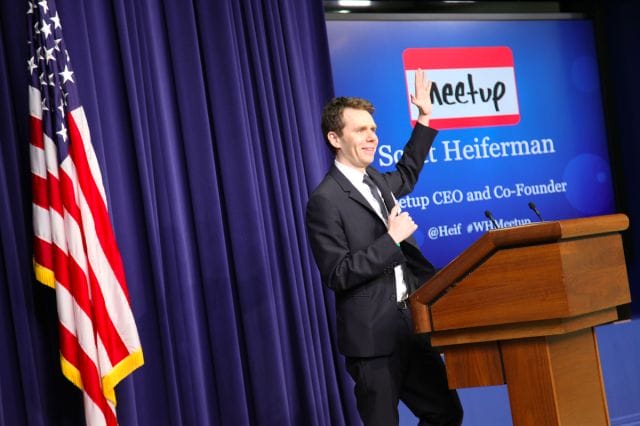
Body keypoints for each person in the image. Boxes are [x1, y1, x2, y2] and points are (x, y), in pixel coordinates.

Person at [305, 70, 463, 426]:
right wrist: (390, 240)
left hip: (411, 327)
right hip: (372, 341)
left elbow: (406, 174)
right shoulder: (325, 200)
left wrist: (424, 118)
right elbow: (338, 274)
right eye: (361, 130)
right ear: (334, 138)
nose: (372, 137)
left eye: (373, 129)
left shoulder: (375, 179)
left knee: (446, 413)